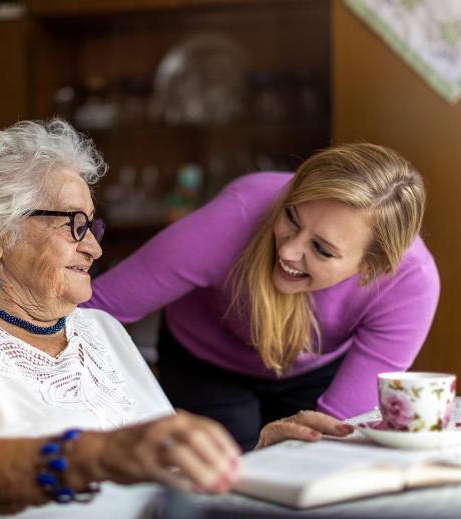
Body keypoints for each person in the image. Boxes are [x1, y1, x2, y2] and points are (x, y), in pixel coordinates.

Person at [0, 119, 354, 519]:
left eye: (93, 225)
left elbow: (164, 472)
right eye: (73, 224)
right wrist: (98, 454)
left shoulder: (97, 330)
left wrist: (252, 456)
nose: (94, 247)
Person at [84, 143, 440, 450]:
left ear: (372, 267)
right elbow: (91, 309)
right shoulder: (237, 214)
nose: (289, 251)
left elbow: (336, 435)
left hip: (315, 370)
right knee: (217, 485)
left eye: (321, 249)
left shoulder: (410, 284)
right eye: (292, 218)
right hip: (206, 361)